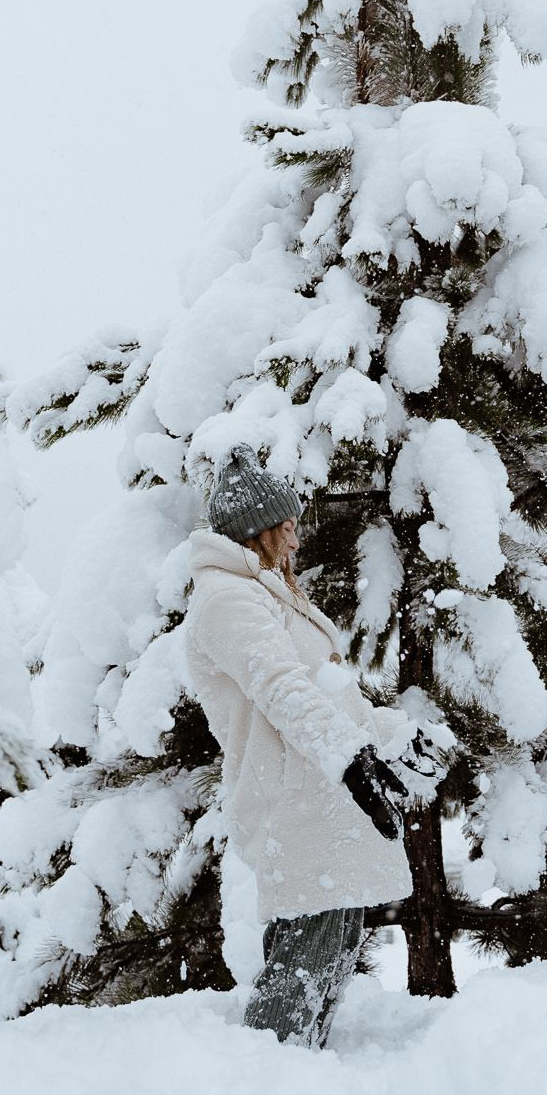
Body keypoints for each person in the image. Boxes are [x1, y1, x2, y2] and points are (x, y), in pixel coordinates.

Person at [183, 445, 414, 1048]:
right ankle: (270, 1083)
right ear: (255, 531)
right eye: (284, 525)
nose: (294, 536)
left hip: (323, 795)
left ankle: (301, 1082)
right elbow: (282, 690)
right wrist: (348, 757)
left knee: (332, 950)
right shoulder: (227, 599)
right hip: (292, 799)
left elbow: (333, 695)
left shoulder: (269, 595)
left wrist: (394, 740)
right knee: (301, 965)